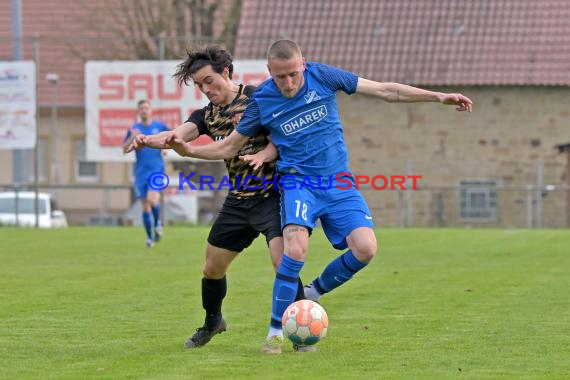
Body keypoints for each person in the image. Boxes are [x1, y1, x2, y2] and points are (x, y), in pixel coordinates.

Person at [165, 39, 474, 354]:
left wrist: (437, 96)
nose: (289, 83)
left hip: (339, 182)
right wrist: (189, 150)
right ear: (269, 72)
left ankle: (314, 291)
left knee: (366, 249)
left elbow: (385, 90)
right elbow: (230, 146)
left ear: (304, 64)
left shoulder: (323, 76)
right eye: (281, 76)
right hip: (298, 183)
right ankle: (275, 333)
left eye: (294, 74)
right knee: (294, 252)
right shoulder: (262, 102)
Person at [126, 45, 305, 348]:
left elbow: (283, 137)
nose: (205, 89)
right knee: (212, 268)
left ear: (226, 72)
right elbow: (177, 135)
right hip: (237, 201)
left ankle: (301, 329)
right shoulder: (206, 115)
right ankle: (213, 322)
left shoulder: (257, 97)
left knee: (283, 263)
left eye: (208, 81)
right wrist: (146, 140)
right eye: (198, 85)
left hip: (271, 196)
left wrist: (266, 153)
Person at [123, 99, 170, 248]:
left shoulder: (159, 126)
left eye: (146, 108)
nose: (144, 110)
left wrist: (165, 147)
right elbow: (124, 149)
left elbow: (172, 137)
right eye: (141, 108)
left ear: (150, 111)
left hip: (156, 169)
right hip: (141, 172)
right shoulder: (134, 128)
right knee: (145, 206)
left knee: (152, 199)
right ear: (138, 112)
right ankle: (150, 237)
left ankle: (158, 223)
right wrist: (132, 137)